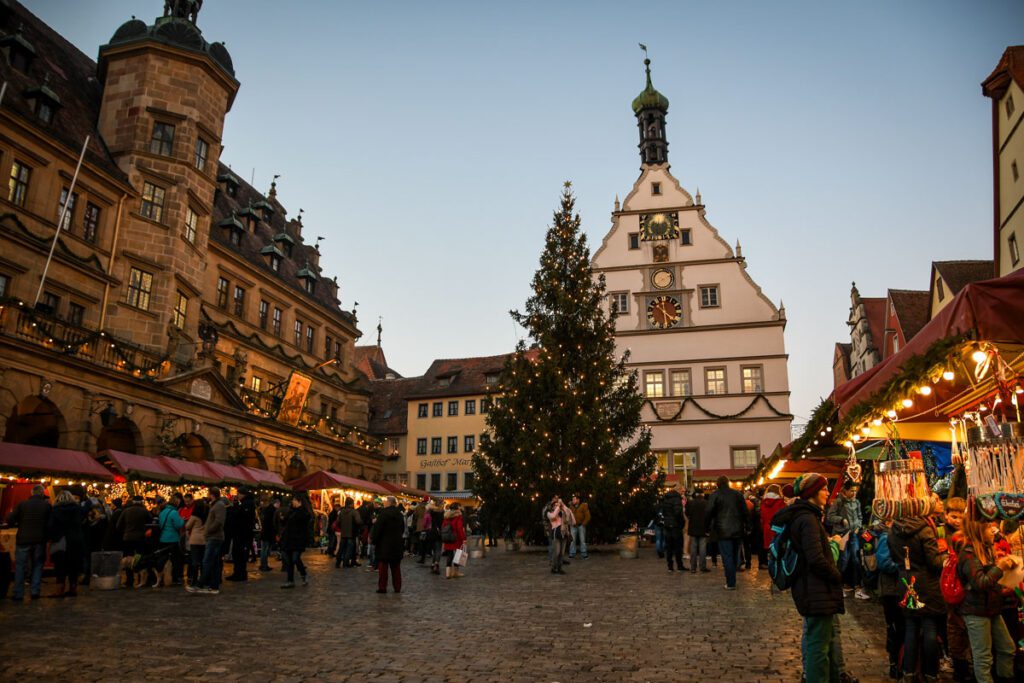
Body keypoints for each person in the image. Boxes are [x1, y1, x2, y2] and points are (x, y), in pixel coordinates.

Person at [774, 473, 845, 682]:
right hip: (815, 589)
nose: (827, 493)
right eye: (823, 489)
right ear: (812, 493)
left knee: (825, 641)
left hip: (814, 589)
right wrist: (836, 575)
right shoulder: (807, 519)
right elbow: (815, 558)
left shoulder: (808, 516)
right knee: (818, 646)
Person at [957, 511, 1017, 683]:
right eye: (989, 527)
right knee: (983, 658)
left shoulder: (987, 549)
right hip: (975, 611)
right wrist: (999, 567)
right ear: (979, 530)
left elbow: (989, 580)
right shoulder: (968, 553)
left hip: (991, 608)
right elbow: (979, 583)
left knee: (1007, 648)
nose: (994, 530)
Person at [888, 505, 946, 681]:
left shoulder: (893, 530)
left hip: (905, 581)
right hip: (926, 583)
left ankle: (909, 672)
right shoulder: (925, 530)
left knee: (911, 627)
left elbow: (894, 557)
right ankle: (931, 673)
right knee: (929, 627)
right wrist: (945, 557)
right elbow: (934, 562)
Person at [6, 484, 51, 601]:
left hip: (23, 539)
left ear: (31, 493)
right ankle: (35, 591)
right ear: (42, 493)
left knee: (20, 566)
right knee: (37, 565)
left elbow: (10, 519)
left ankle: (18, 593)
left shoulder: (22, 504)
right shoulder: (46, 506)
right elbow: (50, 523)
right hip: (39, 540)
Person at [827, 481, 869, 600]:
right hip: (841, 535)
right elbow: (829, 517)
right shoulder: (839, 502)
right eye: (852, 490)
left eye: (855, 491)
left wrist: (858, 527)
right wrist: (841, 520)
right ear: (845, 491)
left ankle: (857, 588)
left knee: (856, 560)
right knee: (843, 561)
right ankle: (838, 587)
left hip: (853, 535)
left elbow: (860, 517)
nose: (854, 493)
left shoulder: (857, 502)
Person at [705, 476, 747, 590]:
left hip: (723, 530)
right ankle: (731, 580)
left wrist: (707, 528)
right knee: (733, 556)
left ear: (718, 484)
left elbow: (708, 512)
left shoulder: (715, 495)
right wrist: (748, 526)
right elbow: (745, 512)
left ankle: (731, 582)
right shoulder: (738, 494)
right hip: (737, 529)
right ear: (728, 483)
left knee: (727, 556)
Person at [47, 489, 85, 598]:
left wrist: (53, 537)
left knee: (60, 566)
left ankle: (60, 590)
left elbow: (50, 526)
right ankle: (73, 588)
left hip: (61, 541)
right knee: (74, 565)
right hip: (75, 541)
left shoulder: (55, 510)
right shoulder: (77, 509)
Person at [371, 496, 405, 593]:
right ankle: (397, 587)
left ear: (389, 503)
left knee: (383, 568)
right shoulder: (399, 514)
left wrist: (374, 540)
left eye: (385, 502)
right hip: (396, 544)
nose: (384, 503)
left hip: (384, 545)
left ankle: (382, 587)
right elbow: (402, 529)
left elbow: (378, 529)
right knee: (396, 568)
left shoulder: (383, 514)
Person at [117, 494, 152, 588]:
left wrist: (126, 531)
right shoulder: (145, 511)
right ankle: (142, 580)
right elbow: (151, 523)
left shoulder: (126, 511)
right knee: (140, 558)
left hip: (127, 538)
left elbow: (118, 525)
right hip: (140, 538)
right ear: (141, 502)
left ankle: (129, 580)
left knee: (128, 559)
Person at [197, 487, 227, 594]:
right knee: (213, 562)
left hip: (215, 537)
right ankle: (213, 586)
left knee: (207, 561)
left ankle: (201, 584)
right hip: (212, 536)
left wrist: (208, 530)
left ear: (212, 494)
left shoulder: (219, 505)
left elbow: (219, 521)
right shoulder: (215, 505)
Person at [280, 495, 311, 588]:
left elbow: (303, 524)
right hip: (289, 539)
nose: (292, 502)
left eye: (294, 500)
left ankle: (303, 574)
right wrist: (283, 519)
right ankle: (290, 580)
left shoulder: (304, 513)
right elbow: (287, 523)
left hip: (298, 540)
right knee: (290, 560)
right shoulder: (291, 511)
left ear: (299, 501)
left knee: (295, 558)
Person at [154, 494, 185, 587]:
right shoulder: (174, 513)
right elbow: (178, 525)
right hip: (173, 539)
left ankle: (161, 578)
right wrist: (182, 520)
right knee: (176, 560)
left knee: (163, 560)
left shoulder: (162, 512)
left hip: (163, 539)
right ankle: (175, 578)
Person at [228, 488, 256, 581]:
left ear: (243, 494)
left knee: (240, 554)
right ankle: (238, 573)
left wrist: (235, 507)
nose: (238, 496)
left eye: (239, 494)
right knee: (238, 554)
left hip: (243, 533)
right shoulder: (245, 503)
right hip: (241, 533)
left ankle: (240, 574)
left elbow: (241, 516)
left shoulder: (247, 504)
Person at [659, 485, 685, 572]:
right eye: (682, 491)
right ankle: (679, 566)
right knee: (678, 546)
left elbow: (664, 511)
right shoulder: (677, 499)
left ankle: (670, 566)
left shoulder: (666, 498)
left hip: (667, 525)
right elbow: (678, 513)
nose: (683, 493)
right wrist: (682, 523)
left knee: (669, 547)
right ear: (678, 491)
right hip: (675, 526)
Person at [184, 500, 207, 591]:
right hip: (204, 540)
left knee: (194, 561)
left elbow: (187, 526)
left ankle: (194, 581)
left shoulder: (194, 516)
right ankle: (202, 581)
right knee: (202, 562)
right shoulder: (206, 515)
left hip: (195, 540)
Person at [685, 490, 709, 573]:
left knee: (693, 548)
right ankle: (702, 567)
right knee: (702, 548)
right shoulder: (706, 503)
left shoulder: (690, 503)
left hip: (693, 528)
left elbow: (687, 513)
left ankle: (693, 567)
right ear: (702, 494)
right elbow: (709, 516)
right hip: (703, 528)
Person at [543, 496, 568, 575]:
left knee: (562, 552)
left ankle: (560, 568)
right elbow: (553, 516)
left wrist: (562, 505)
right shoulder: (549, 513)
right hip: (556, 533)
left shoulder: (560, 512)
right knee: (556, 552)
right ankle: (554, 568)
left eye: (558, 504)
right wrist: (558, 508)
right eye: (556, 505)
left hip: (564, 533)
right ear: (552, 506)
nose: (557, 506)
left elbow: (568, 513)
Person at [760, 484, 787, 556]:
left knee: (769, 550)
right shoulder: (781, 502)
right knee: (778, 550)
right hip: (778, 528)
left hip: (766, 527)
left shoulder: (763, 502)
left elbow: (762, 517)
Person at [442, 503, 467, 579]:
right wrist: (464, 538)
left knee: (449, 555)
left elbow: (443, 527)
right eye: (459, 508)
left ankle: (447, 573)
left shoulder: (446, 517)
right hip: (456, 539)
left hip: (448, 539)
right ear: (457, 509)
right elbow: (459, 529)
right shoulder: (458, 517)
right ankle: (455, 573)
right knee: (457, 556)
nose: (460, 509)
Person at [334, 497, 360, 569]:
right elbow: (359, 521)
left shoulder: (341, 512)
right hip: (351, 533)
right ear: (351, 504)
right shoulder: (354, 512)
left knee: (341, 549)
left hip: (343, 533)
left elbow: (338, 522)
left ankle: (338, 563)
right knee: (349, 549)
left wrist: (342, 527)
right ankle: (345, 563)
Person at [259, 498, 281, 571]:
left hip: (264, 533)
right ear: (276, 503)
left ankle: (263, 565)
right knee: (265, 550)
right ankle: (264, 566)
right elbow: (273, 524)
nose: (279, 506)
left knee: (263, 550)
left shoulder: (266, 510)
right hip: (268, 534)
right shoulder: (273, 511)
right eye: (279, 504)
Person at [569, 494, 590, 560]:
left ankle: (584, 554)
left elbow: (588, 516)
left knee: (582, 540)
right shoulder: (571, 506)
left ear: (578, 500)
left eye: (574, 499)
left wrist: (583, 524)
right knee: (572, 540)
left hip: (581, 526)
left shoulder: (584, 505)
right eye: (572, 499)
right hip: (573, 526)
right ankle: (572, 553)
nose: (573, 500)